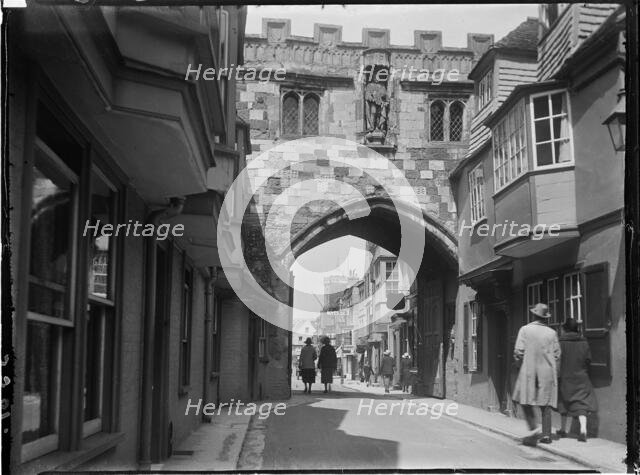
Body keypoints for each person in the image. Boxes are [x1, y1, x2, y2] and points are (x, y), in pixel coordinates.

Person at [513, 303, 561, 446]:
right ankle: (546, 435)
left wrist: (518, 364)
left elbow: (518, 351)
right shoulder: (552, 333)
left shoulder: (525, 330)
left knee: (523, 398)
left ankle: (533, 425)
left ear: (534, 315)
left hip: (529, 370)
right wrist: (556, 372)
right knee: (545, 404)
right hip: (546, 371)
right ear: (545, 317)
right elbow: (557, 354)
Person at [556, 318, 598, 442]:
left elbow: (556, 359)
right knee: (581, 404)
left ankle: (563, 430)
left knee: (563, 403)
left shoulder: (560, 342)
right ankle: (583, 431)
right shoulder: (584, 342)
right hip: (581, 377)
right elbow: (588, 360)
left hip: (565, 377)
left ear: (565, 329)